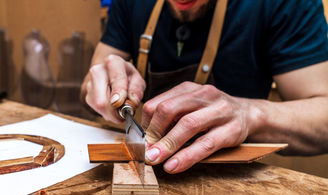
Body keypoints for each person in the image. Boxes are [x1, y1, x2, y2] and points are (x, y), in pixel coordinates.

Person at [81, 0, 328, 174]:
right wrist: (104, 89)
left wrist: (250, 115)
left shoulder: (286, 4)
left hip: (234, 184)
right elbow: (88, 88)